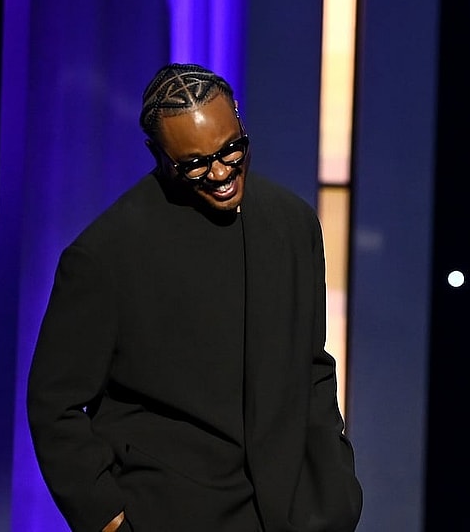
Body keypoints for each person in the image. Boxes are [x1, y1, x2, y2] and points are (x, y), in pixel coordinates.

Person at [27, 63, 363, 531]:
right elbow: (55, 404)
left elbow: (310, 367)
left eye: (231, 149)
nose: (222, 172)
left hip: (290, 512)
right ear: (158, 156)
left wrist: (336, 490)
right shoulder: (105, 255)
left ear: (241, 126)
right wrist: (106, 516)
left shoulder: (291, 223)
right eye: (196, 164)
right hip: (169, 512)